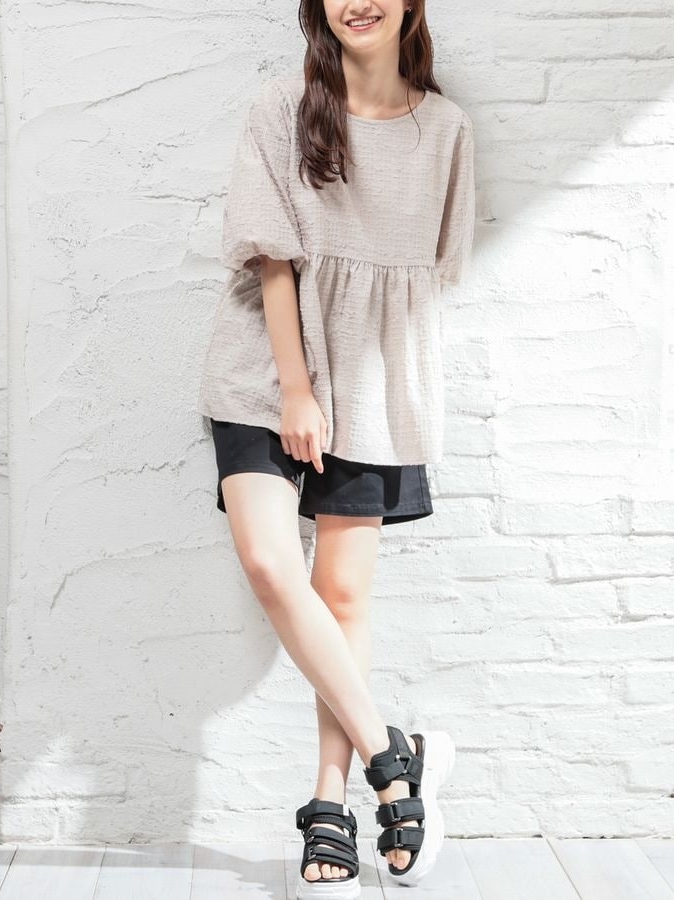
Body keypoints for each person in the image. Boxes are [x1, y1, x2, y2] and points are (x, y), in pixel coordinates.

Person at [197, 1, 475, 896]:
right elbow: (271, 259)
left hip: (375, 378)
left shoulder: (446, 130)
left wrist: (364, 386)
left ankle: (331, 801)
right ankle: (395, 762)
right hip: (263, 369)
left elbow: (439, 267)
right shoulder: (284, 107)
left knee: (343, 594)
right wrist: (297, 389)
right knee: (271, 565)